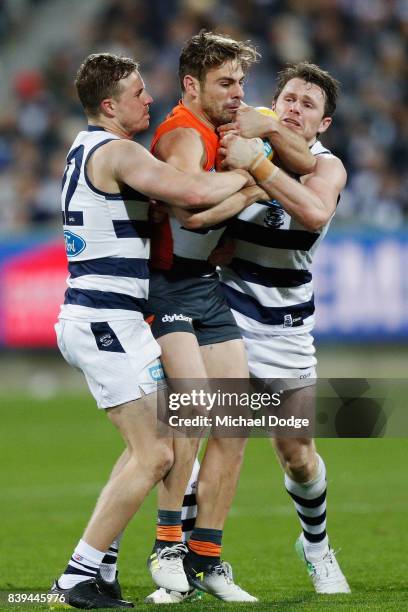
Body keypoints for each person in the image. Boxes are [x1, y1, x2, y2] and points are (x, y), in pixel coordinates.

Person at [50, 51, 252, 610]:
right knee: (157, 453)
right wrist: (254, 172)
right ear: (110, 105)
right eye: (138, 93)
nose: (149, 99)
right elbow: (191, 193)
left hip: (106, 318)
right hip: (105, 319)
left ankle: (103, 566)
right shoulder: (117, 150)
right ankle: (78, 575)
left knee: (154, 447)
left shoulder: (82, 147)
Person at [140, 32, 315, 604]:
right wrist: (252, 180)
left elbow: (309, 164)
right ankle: (166, 548)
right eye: (225, 83)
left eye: (241, 81)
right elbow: (191, 212)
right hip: (166, 288)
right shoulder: (186, 134)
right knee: (187, 416)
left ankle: (208, 558)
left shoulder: (227, 128)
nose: (239, 93)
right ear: (191, 85)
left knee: (234, 425)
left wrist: (260, 156)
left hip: (205, 287)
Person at [217, 61, 351, 594]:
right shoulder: (239, 143)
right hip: (223, 311)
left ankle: (316, 547)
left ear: (323, 125)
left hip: (287, 324)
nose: (295, 108)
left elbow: (314, 214)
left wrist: (262, 160)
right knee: (209, 436)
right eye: (288, 99)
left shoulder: (327, 166)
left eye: (308, 105)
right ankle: (185, 559)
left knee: (297, 455)